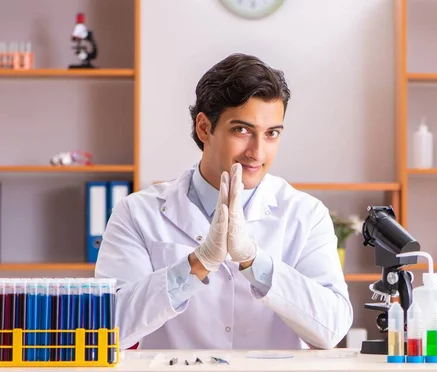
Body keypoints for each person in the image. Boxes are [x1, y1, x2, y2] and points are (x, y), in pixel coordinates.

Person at [95, 53, 353, 350]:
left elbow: (332, 328)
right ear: (204, 128)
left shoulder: (306, 215)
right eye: (241, 130)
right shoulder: (137, 213)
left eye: (271, 134)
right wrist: (197, 264)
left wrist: (255, 261)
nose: (257, 152)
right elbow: (107, 330)